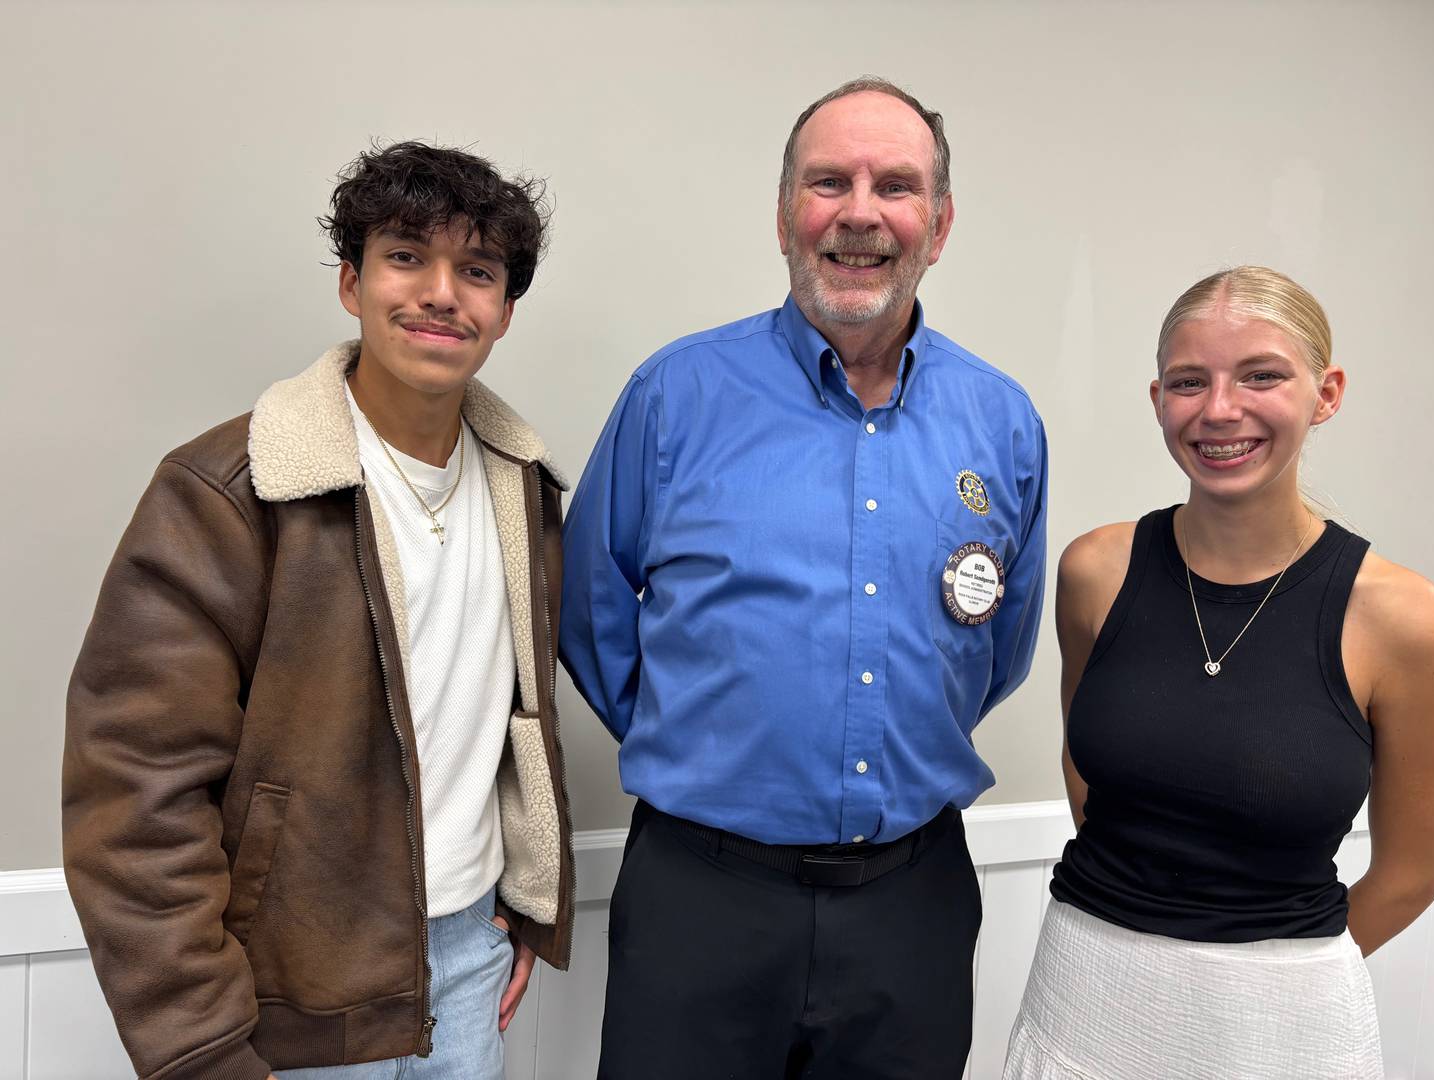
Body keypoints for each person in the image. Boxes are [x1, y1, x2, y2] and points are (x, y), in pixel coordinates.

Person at [561, 76, 1048, 1078]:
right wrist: (710, 735)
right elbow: (589, 610)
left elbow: (995, 648)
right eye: (829, 182)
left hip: (911, 908)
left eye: (896, 187)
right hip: (702, 897)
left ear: (940, 224)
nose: (861, 213)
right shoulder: (674, 396)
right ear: (785, 215)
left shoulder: (1001, 424)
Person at [63, 141, 575, 1080]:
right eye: (405, 256)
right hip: (286, 992)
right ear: (352, 282)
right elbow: (134, 789)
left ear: (503, 311)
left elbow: (513, 727)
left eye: (477, 271)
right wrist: (200, 1044)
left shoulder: (527, 493)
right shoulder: (226, 493)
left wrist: (528, 903)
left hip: (467, 967)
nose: (440, 292)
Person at [1004, 266, 1434, 1079]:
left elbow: (1415, 867)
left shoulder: (1403, 618)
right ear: (1157, 399)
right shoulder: (1097, 570)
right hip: (1082, 1001)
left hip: (1290, 1032)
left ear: (1327, 392)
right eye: (1188, 382)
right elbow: (1087, 765)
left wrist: (1270, 975)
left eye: (1262, 375)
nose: (1219, 410)